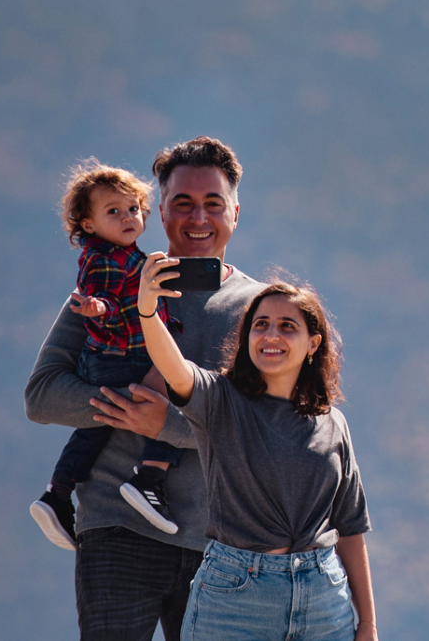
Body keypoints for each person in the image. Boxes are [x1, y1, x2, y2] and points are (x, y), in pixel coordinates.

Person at [26, 136, 261, 641]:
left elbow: (268, 431)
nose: (198, 217)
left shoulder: (266, 312)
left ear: (235, 213)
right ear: (160, 212)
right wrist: (121, 405)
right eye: (182, 203)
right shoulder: (111, 285)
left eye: (213, 204)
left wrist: (169, 426)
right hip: (116, 529)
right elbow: (42, 395)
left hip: (221, 547)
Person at [136, 259, 377, 641]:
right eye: (260, 325)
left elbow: (349, 528)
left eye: (287, 326)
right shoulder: (219, 400)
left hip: (324, 599)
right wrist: (147, 311)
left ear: (313, 343)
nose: (271, 335)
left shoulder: (333, 423)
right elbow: (174, 367)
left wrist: (367, 624)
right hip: (236, 597)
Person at [30, 162, 187, 549]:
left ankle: (58, 492)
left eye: (133, 209)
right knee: (171, 390)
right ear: (87, 223)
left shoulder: (131, 255)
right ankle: (148, 478)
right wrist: (99, 309)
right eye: (113, 212)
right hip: (122, 356)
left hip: (109, 358)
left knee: (96, 426)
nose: (127, 218)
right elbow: (105, 299)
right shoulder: (104, 258)